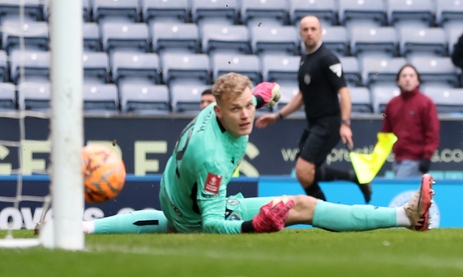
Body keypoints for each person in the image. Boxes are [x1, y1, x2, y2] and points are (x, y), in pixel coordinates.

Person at [77, 73, 435, 235]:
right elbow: (214, 224)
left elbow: (258, 95)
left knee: (170, 223)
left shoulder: (222, 109)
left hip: (173, 195)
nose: (247, 115)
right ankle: (404, 217)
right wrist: (253, 227)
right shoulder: (212, 159)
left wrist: (270, 95)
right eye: (238, 109)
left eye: (250, 106)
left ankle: (83, 226)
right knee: (301, 206)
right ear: (219, 112)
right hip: (194, 215)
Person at [256, 16, 372, 203]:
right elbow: (302, 96)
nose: (309, 33)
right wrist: (277, 116)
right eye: (305, 29)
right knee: (305, 174)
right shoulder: (305, 60)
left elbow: (344, 92)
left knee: (303, 171)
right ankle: (354, 180)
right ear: (301, 33)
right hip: (314, 124)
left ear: (320, 31)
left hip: (329, 123)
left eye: (313, 29)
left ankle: (325, 214)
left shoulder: (328, 59)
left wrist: (345, 123)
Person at [381, 65, 440, 178]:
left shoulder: (426, 103)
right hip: (397, 160)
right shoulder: (392, 104)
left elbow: (432, 132)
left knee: (401, 189)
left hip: (416, 161)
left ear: (417, 81)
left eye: (411, 76)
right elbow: (386, 132)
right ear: (398, 81)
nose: (407, 79)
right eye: (404, 76)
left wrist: (427, 157)